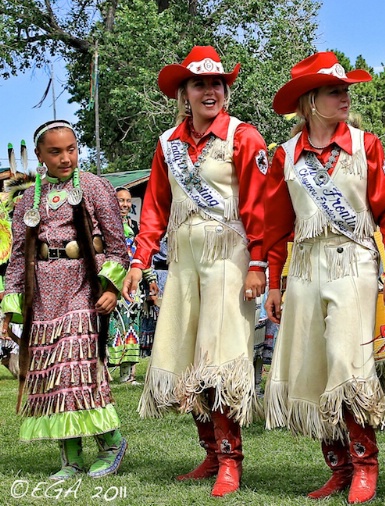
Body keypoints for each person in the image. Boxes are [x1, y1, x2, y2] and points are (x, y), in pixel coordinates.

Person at [121, 45, 269, 498]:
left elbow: (259, 206)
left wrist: (259, 263)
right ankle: (209, 451)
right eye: (200, 83)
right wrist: (140, 258)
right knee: (187, 357)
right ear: (184, 93)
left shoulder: (245, 137)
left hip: (228, 257)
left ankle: (230, 459)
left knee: (218, 358)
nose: (210, 90)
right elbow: (155, 208)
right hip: (183, 259)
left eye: (217, 83)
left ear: (226, 89)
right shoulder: (168, 144)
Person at [262, 51, 385, 504]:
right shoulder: (285, 156)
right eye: (334, 90)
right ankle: (338, 467)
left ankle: (365, 464)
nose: (345, 97)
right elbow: (275, 225)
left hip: (355, 264)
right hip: (305, 267)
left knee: (348, 363)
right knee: (314, 367)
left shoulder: (367, 145)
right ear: (309, 101)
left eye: (345, 89)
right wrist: (272, 281)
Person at [0, 120, 129, 479]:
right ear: (40, 155)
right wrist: (11, 305)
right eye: (55, 152)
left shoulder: (93, 186)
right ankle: (70, 458)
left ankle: (112, 442)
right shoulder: (29, 197)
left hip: (82, 288)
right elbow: (17, 256)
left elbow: (119, 248)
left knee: (78, 367)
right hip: (43, 294)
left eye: (71, 149)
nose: (65, 157)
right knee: (52, 373)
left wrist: (111, 288)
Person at [107, 187, 143, 383]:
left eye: (128, 201)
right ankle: (104, 372)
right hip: (113, 282)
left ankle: (127, 374)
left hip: (133, 283)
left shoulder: (134, 226)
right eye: (121, 200)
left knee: (131, 325)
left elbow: (140, 254)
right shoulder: (106, 226)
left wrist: (150, 279)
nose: (125, 205)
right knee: (112, 325)